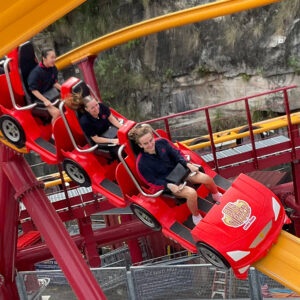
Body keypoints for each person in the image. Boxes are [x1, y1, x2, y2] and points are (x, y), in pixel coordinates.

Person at [128, 124, 222, 225]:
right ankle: (196, 216)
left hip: (180, 171)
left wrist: (187, 164)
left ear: (152, 136)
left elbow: (177, 154)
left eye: (151, 140)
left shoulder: (162, 143)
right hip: (168, 182)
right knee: (191, 194)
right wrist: (168, 185)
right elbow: (152, 182)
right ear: (140, 145)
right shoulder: (141, 163)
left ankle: (216, 195)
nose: (150, 145)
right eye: (146, 143)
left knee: (206, 178)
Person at [27, 48, 61, 121]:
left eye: (55, 57)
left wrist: (65, 89)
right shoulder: (36, 73)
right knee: (57, 113)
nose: (54, 59)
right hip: (38, 99)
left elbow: (54, 83)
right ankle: (54, 132)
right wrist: (45, 100)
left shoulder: (53, 68)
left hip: (50, 94)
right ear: (44, 58)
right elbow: (33, 90)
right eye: (52, 58)